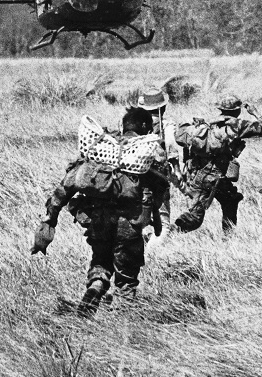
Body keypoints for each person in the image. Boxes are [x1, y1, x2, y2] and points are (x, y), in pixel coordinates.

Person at [31, 114, 167, 315]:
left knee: (101, 262)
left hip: (98, 222)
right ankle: (122, 325)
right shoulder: (141, 156)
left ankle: (94, 289)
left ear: (122, 126)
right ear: (145, 127)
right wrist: (156, 222)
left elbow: (64, 188)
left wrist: (50, 218)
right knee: (126, 277)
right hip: (128, 225)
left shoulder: (100, 154)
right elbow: (159, 192)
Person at [173, 95, 262, 235]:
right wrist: (255, 112)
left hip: (202, 175)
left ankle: (228, 239)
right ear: (237, 110)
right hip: (216, 176)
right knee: (195, 218)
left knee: (230, 200)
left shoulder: (210, 126)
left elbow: (181, 137)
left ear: (220, 109)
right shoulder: (237, 125)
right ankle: (169, 233)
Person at [131, 87, 174, 230]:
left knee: (138, 220)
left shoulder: (131, 125)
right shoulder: (166, 125)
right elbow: (172, 150)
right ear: (163, 106)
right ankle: (153, 250)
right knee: (163, 225)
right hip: (159, 178)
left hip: (134, 178)